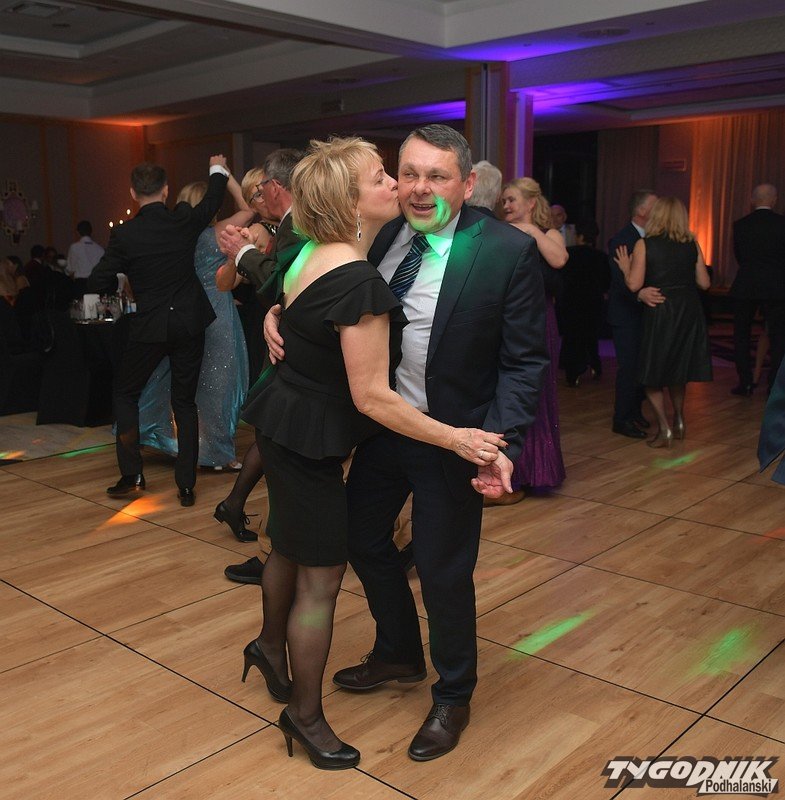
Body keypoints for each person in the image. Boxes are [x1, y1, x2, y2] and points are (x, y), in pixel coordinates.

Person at [265, 124, 547, 761]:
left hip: (454, 437)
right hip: (387, 427)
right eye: (408, 173)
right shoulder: (384, 230)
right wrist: (276, 313)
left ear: (467, 184)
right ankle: (398, 651)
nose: (418, 188)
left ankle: (453, 695)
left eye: (436, 176)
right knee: (361, 537)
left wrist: (503, 445)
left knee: (444, 570)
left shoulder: (506, 251)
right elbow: (319, 282)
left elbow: (525, 363)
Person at [87, 156, 229, 506]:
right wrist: (216, 169)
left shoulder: (125, 234)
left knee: (125, 393)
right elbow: (212, 201)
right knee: (184, 402)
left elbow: (98, 280)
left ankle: (132, 474)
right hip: (189, 321)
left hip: (150, 325)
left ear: (133, 193)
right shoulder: (182, 218)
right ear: (166, 190)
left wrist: (121, 285)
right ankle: (186, 485)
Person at [211, 150, 307, 545]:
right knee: (271, 427)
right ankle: (242, 509)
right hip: (261, 328)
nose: (258, 199)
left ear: (274, 189)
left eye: (259, 191)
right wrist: (237, 253)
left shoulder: (286, 228)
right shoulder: (264, 230)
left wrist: (245, 250)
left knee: (271, 428)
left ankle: (236, 505)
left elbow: (280, 281)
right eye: (252, 194)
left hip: (272, 326)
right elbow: (223, 283)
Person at [135, 174, 252, 471]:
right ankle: (215, 453)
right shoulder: (216, 232)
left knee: (188, 381)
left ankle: (185, 444)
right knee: (219, 382)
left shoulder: (177, 236)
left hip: (186, 312)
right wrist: (224, 175)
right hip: (217, 310)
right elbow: (249, 208)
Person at [614, 196, 712, 447]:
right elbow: (705, 283)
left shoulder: (645, 244)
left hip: (661, 312)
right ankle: (679, 418)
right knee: (678, 371)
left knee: (651, 373)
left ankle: (665, 428)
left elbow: (634, 285)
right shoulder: (692, 243)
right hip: (688, 312)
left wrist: (625, 268)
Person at [499, 176, 567, 502]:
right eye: (504, 201)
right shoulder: (502, 232)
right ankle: (512, 470)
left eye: (512, 200)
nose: (506, 206)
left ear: (530, 202)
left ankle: (538, 470)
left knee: (538, 394)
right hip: (510, 320)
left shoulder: (548, 233)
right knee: (513, 393)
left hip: (541, 321)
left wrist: (530, 230)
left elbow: (559, 260)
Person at [607, 190, 662, 439]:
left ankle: (635, 412)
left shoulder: (651, 238)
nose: (659, 211)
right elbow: (620, 281)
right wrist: (639, 294)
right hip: (625, 315)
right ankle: (621, 419)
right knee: (628, 368)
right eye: (654, 206)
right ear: (641, 211)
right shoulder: (623, 238)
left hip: (643, 315)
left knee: (642, 367)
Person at [730, 183, 785, 395]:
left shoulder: (740, 225)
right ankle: (774, 385)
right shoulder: (781, 224)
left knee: (741, 335)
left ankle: (745, 382)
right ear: (774, 200)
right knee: (778, 337)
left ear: (752, 200)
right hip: (776, 286)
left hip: (747, 284)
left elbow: (740, 256)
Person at [560, 219, 609, 386]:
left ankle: (573, 374)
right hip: (593, 303)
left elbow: (561, 279)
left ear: (579, 235)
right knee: (591, 337)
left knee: (572, 338)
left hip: (571, 303)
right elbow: (606, 283)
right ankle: (595, 366)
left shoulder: (569, 254)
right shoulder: (601, 257)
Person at [66, 220, 104, 296]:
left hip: (81, 284)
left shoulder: (74, 247)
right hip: (95, 283)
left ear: (78, 232)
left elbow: (70, 269)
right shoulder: (100, 249)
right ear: (91, 232)